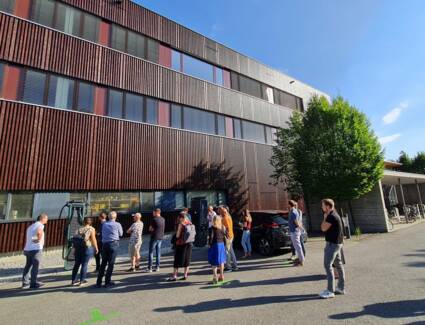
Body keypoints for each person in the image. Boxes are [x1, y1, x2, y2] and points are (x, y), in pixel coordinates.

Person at [319, 198, 346, 299]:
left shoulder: (330, 216)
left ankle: (330, 290)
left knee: (327, 265)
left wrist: (325, 218)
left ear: (327, 206)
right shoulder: (335, 214)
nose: (321, 207)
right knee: (338, 264)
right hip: (337, 243)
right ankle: (341, 288)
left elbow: (323, 228)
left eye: (323, 205)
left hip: (332, 244)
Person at [96, 211, 123, 288]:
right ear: (115, 217)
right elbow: (121, 234)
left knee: (103, 263)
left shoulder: (104, 224)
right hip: (113, 244)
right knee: (111, 264)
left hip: (104, 244)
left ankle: (99, 282)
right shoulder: (117, 224)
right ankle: (107, 282)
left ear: (108, 217)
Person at [22, 214, 48, 289]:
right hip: (35, 249)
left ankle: (25, 283)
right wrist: (37, 240)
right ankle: (33, 283)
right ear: (42, 218)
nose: (47, 220)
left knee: (28, 266)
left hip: (27, 249)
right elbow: (39, 232)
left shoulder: (31, 226)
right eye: (46, 219)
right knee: (35, 266)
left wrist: (34, 239)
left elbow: (32, 235)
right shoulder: (40, 225)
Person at [71, 217, 98, 286]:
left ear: (83, 222)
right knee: (84, 264)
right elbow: (93, 239)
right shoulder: (91, 229)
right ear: (90, 222)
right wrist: (96, 248)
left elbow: (75, 240)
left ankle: (73, 280)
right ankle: (82, 281)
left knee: (76, 264)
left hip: (78, 248)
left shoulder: (78, 229)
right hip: (86, 248)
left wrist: (74, 249)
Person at [167, 212, 193, 281]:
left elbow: (177, 235)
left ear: (181, 218)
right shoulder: (190, 224)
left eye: (178, 217)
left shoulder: (181, 224)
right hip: (189, 244)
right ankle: (185, 275)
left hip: (181, 244)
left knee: (177, 260)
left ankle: (174, 276)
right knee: (187, 260)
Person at [208, 215, 227, 284]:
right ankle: (221, 276)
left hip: (215, 245)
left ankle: (215, 276)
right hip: (221, 244)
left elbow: (211, 238)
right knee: (221, 261)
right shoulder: (222, 227)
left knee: (214, 261)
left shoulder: (212, 228)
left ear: (213, 220)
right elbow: (226, 235)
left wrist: (209, 245)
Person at [147, 208, 165, 272]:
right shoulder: (163, 219)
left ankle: (150, 268)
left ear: (156, 212)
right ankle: (157, 267)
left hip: (154, 237)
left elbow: (150, 229)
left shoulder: (154, 219)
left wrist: (152, 230)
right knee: (158, 252)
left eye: (153, 212)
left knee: (151, 252)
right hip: (160, 237)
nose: (153, 213)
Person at [288, 200, 305, 266]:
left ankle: (301, 261)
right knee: (297, 246)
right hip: (294, 231)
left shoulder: (293, 212)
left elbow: (297, 222)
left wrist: (302, 229)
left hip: (295, 232)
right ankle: (300, 260)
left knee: (298, 247)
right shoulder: (293, 211)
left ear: (289, 205)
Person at [221, 206, 238, 272]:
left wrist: (226, 236)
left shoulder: (226, 217)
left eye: (223, 211)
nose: (222, 212)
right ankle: (235, 265)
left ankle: (229, 267)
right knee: (231, 251)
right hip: (230, 236)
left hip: (228, 237)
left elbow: (227, 228)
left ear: (226, 211)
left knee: (227, 251)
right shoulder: (228, 216)